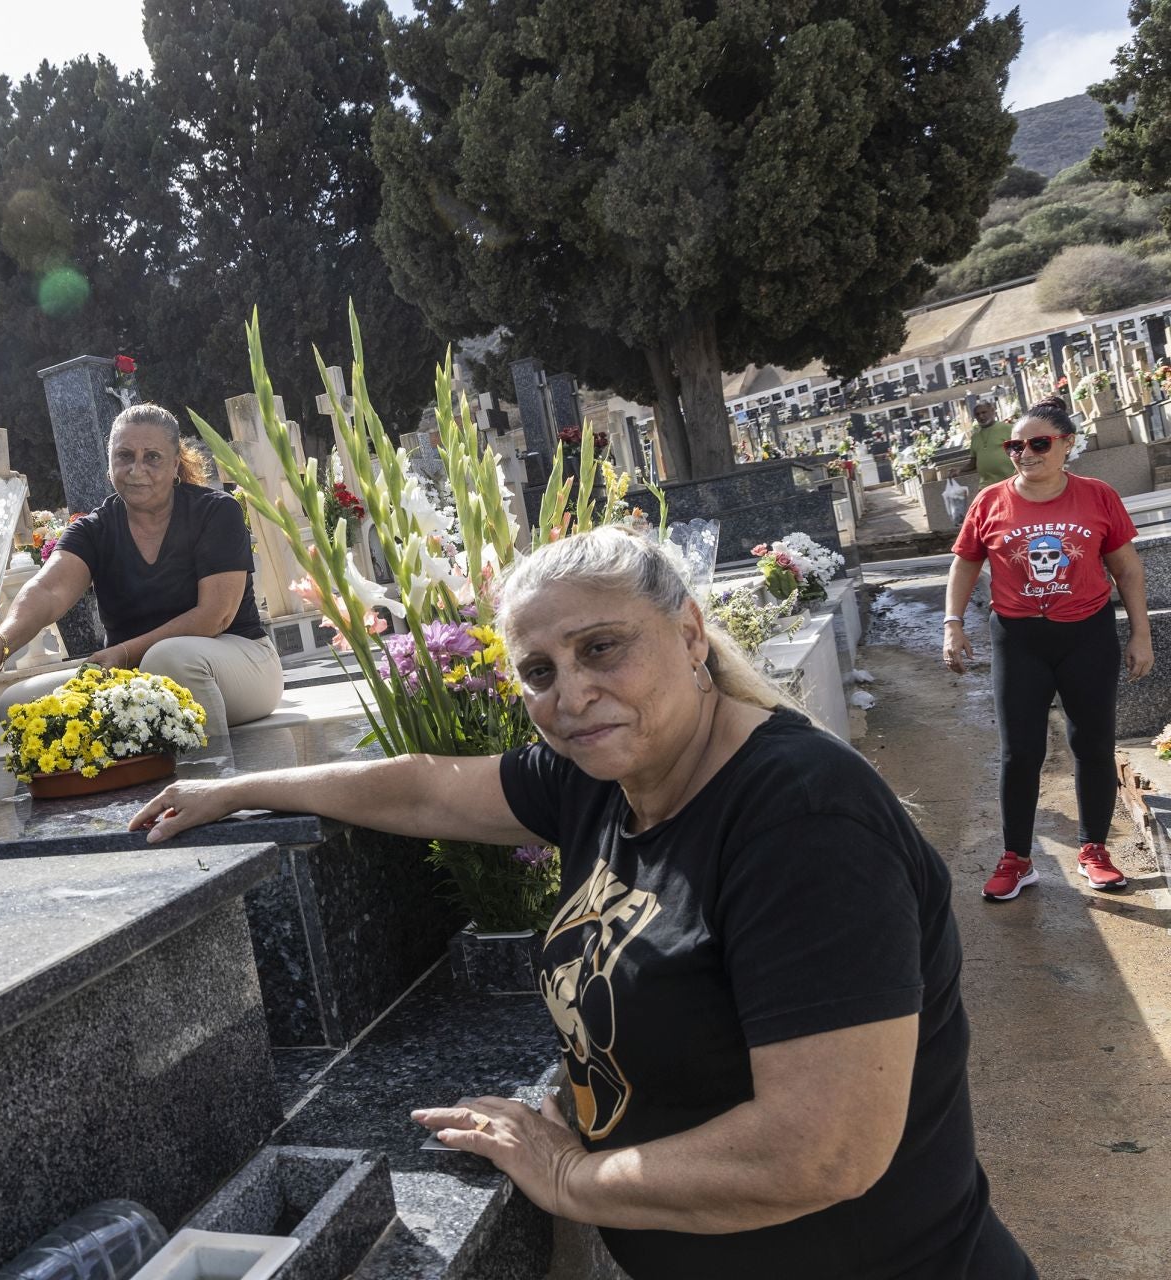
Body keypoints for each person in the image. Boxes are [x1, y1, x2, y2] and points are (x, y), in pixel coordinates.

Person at [132, 526, 1033, 1280]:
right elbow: (425, 790)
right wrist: (243, 790)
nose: (571, 693)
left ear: (688, 634)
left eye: (601, 647)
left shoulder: (801, 820)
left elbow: (821, 1150)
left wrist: (572, 1181)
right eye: (538, 671)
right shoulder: (604, 775)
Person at [943, 396, 1151, 900]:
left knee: (1094, 745)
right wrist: (953, 623)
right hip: (1019, 639)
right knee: (1020, 752)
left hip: (1087, 635)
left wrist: (1140, 633)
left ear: (1066, 444)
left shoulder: (1097, 495)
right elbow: (966, 563)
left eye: (1039, 443)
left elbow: (1126, 569)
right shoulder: (990, 501)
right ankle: (1017, 858)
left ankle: (1094, 850)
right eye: (1017, 445)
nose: (1025, 453)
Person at [0, 404, 283, 738]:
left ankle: (210, 781)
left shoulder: (214, 512)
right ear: (110, 466)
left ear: (175, 466)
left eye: (152, 457)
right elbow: (48, 590)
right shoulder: (93, 530)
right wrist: (3, 640)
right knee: (19, 703)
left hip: (237, 661)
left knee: (169, 659)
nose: (137, 469)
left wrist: (125, 652)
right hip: (135, 677)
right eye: (125, 456)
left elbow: (216, 616)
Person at [967, 399, 1014, 486]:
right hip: (986, 485)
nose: (981, 416)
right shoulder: (975, 437)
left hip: (1010, 481)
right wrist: (959, 470)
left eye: (984, 412)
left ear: (992, 411)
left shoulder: (1008, 429)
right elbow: (973, 463)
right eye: (977, 414)